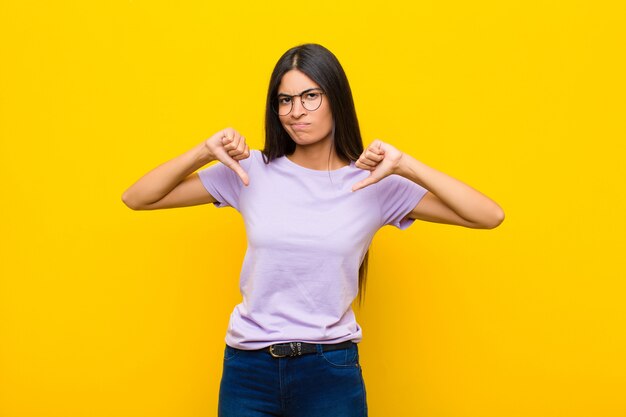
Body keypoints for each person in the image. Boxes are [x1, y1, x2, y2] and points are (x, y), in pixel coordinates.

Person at [121, 43, 504, 417]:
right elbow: (138, 198)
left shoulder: (376, 182)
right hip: (248, 371)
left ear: (336, 98)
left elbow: (488, 215)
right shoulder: (249, 170)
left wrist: (407, 166)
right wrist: (203, 151)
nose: (295, 112)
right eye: (284, 100)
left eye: (310, 96)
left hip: (330, 374)